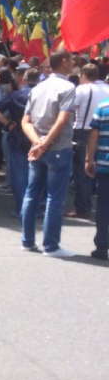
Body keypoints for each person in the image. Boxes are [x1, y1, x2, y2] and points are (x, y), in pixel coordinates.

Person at [20, 49, 76, 257]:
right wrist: (44, 144)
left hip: (38, 147)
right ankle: (51, 245)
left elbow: (26, 121)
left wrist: (37, 142)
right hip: (58, 148)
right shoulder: (68, 87)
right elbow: (62, 120)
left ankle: (27, 240)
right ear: (64, 62)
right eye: (71, 60)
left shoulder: (37, 88)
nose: (73, 64)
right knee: (54, 197)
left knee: (32, 193)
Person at [0, 68, 35, 216]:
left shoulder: (15, 95)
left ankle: (22, 207)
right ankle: (39, 206)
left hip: (18, 135)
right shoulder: (43, 94)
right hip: (40, 135)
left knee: (19, 173)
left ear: (23, 79)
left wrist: (8, 123)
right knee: (40, 171)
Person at [70, 63, 109, 219]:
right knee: (99, 166)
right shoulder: (106, 88)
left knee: (81, 169)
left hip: (83, 130)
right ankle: (93, 196)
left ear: (83, 74)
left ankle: (83, 207)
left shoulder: (82, 89)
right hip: (104, 129)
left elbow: (71, 109)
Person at [85, 97, 109, 260]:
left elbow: (94, 134)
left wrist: (89, 159)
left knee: (103, 206)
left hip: (105, 164)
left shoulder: (103, 106)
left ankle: (101, 246)